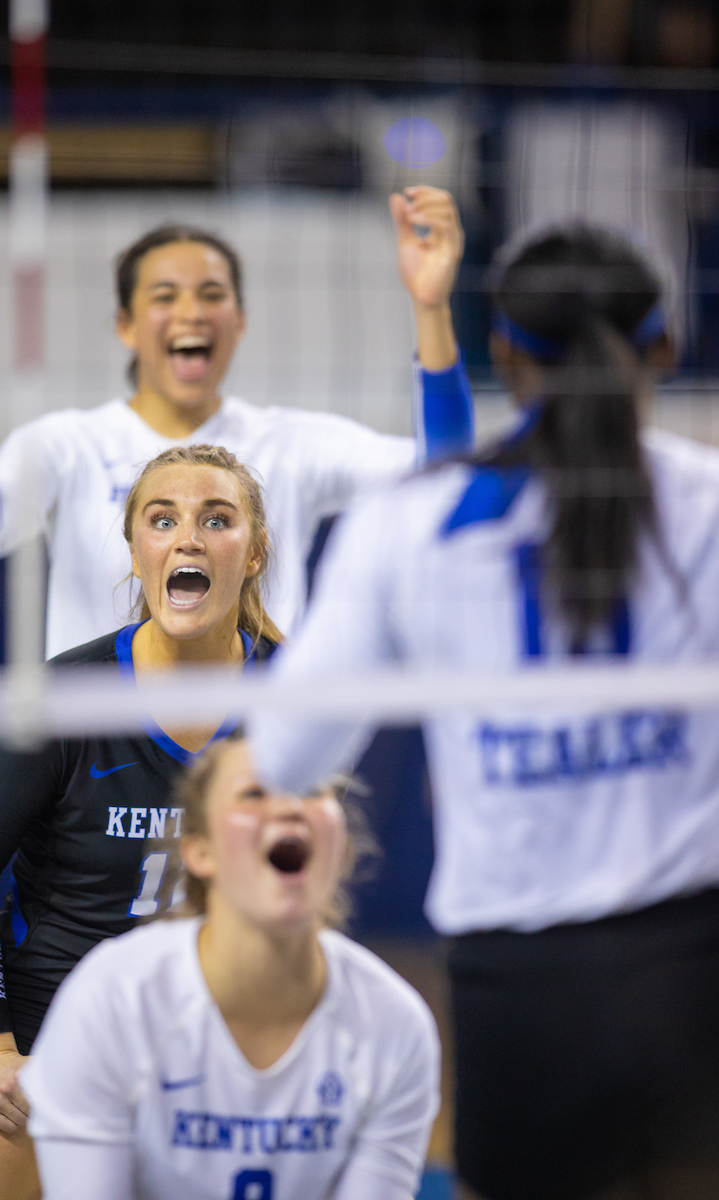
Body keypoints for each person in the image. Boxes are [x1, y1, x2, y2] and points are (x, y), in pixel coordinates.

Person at [249, 223, 719, 1200]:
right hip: (690, 969)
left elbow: (286, 754)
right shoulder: (705, 503)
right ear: (662, 349)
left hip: (518, 992)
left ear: (502, 352)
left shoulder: (408, 523)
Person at [0, 444, 282, 1200]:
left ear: (253, 555)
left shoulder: (298, 703)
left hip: (218, 1035)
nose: (187, 537)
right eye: (162, 519)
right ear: (136, 549)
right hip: (49, 1021)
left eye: (216, 520)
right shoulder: (60, 700)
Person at [0, 186, 473, 656]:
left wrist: (432, 309)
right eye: (166, 296)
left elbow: (443, 477)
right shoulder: (68, 443)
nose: (191, 312)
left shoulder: (290, 443)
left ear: (239, 320)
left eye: (212, 295)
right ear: (125, 325)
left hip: (249, 753)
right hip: (105, 755)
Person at [21, 734, 441, 1200]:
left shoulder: (395, 1026)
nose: (288, 809)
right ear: (199, 852)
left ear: (339, 846)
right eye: (254, 794)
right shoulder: (110, 1002)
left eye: (309, 791)